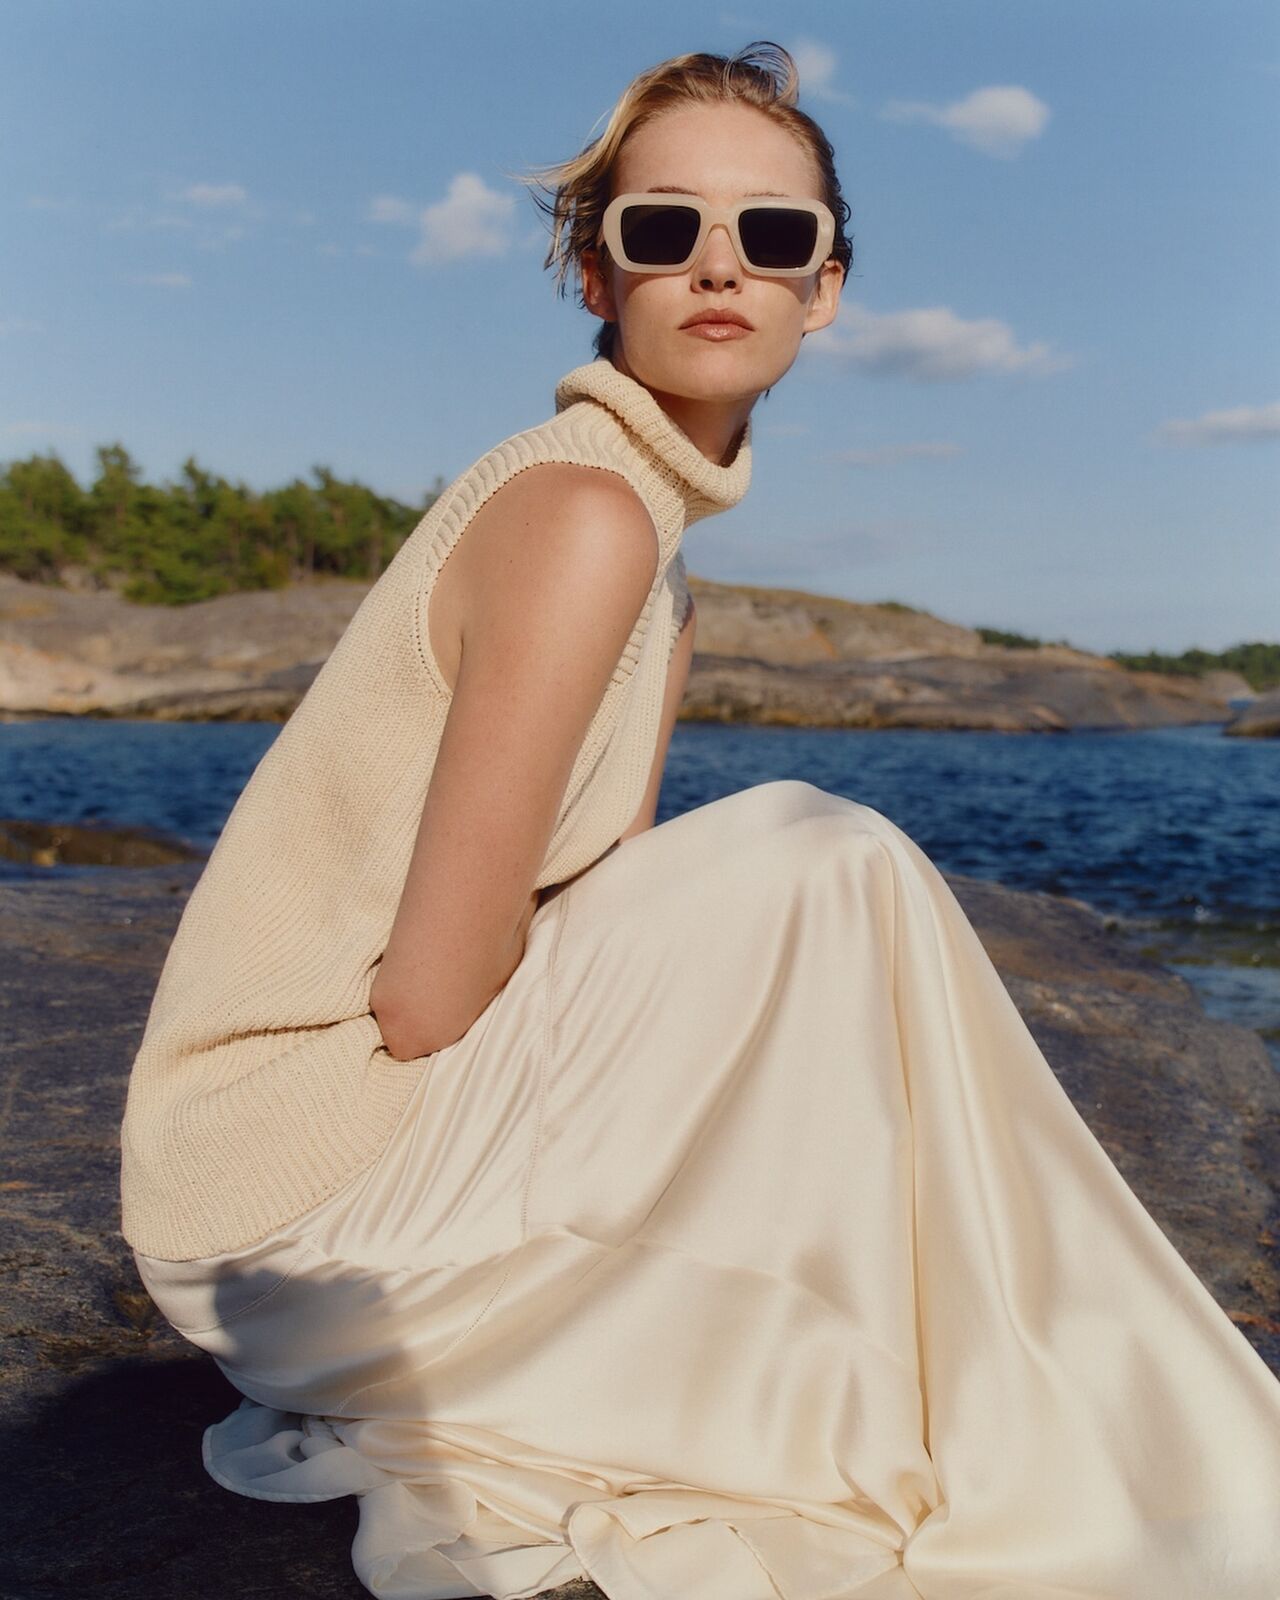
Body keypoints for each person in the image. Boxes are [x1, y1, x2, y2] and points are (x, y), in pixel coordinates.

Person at [119, 41, 1280, 1600]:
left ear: (826, 287)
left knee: (809, 894)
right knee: (829, 863)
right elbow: (427, 999)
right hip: (287, 1197)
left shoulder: (658, 573)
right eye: (664, 229)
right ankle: (1090, 1398)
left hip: (326, 1181)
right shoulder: (583, 513)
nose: (721, 265)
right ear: (594, 273)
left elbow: (601, 908)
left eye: (773, 235)